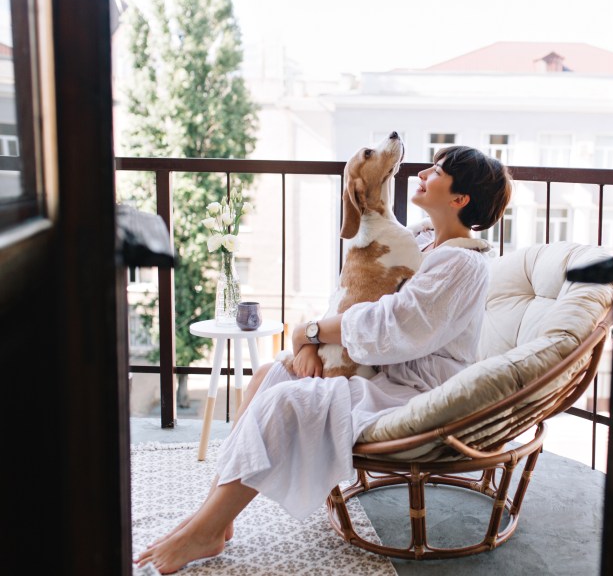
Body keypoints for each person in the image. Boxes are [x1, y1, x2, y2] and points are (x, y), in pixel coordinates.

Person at [135, 146, 513, 573]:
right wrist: (309, 343)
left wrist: (308, 332)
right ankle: (214, 518)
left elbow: (396, 326)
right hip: (381, 369)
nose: (423, 172)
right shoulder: (423, 240)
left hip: (416, 389)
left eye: (438, 170)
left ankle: (204, 529)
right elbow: (359, 294)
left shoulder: (463, 263)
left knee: (286, 402)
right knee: (268, 375)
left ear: (460, 199)